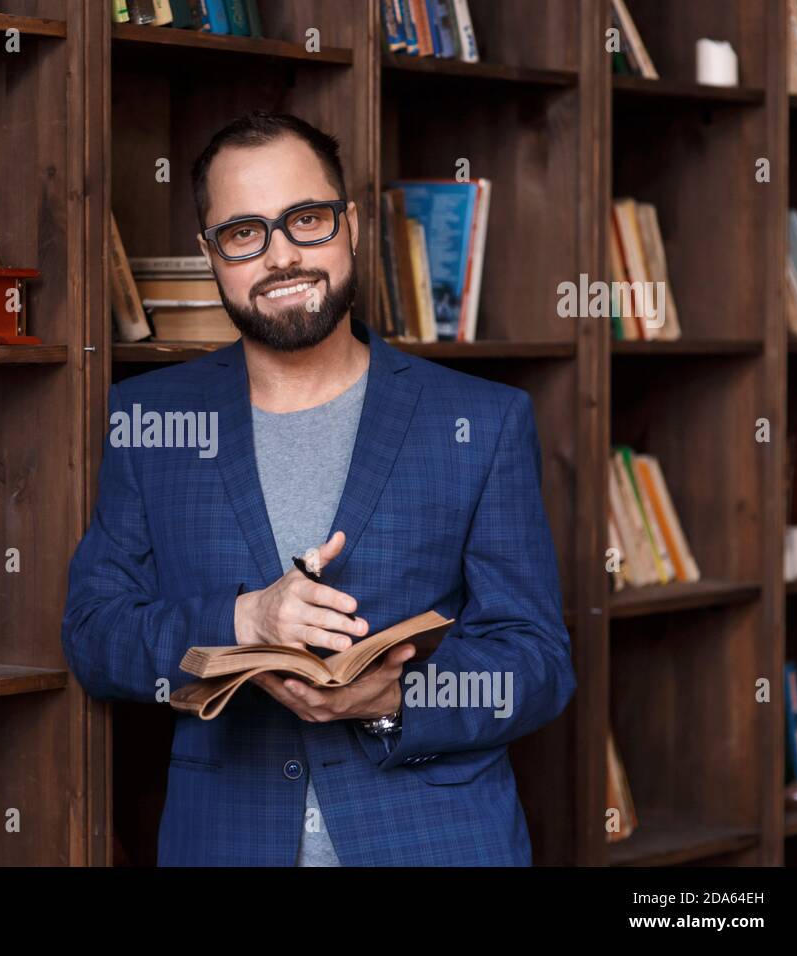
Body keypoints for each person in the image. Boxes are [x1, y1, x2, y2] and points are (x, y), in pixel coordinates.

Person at [60, 110, 576, 866]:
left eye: (306, 220)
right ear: (211, 253)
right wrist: (245, 620)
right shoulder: (150, 420)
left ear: (352, 226)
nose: (281, 258)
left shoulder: (483, 421)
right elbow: (94, 637)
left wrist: (399, 700)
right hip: (226, 841)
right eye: (244, 233)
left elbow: (538, 665)